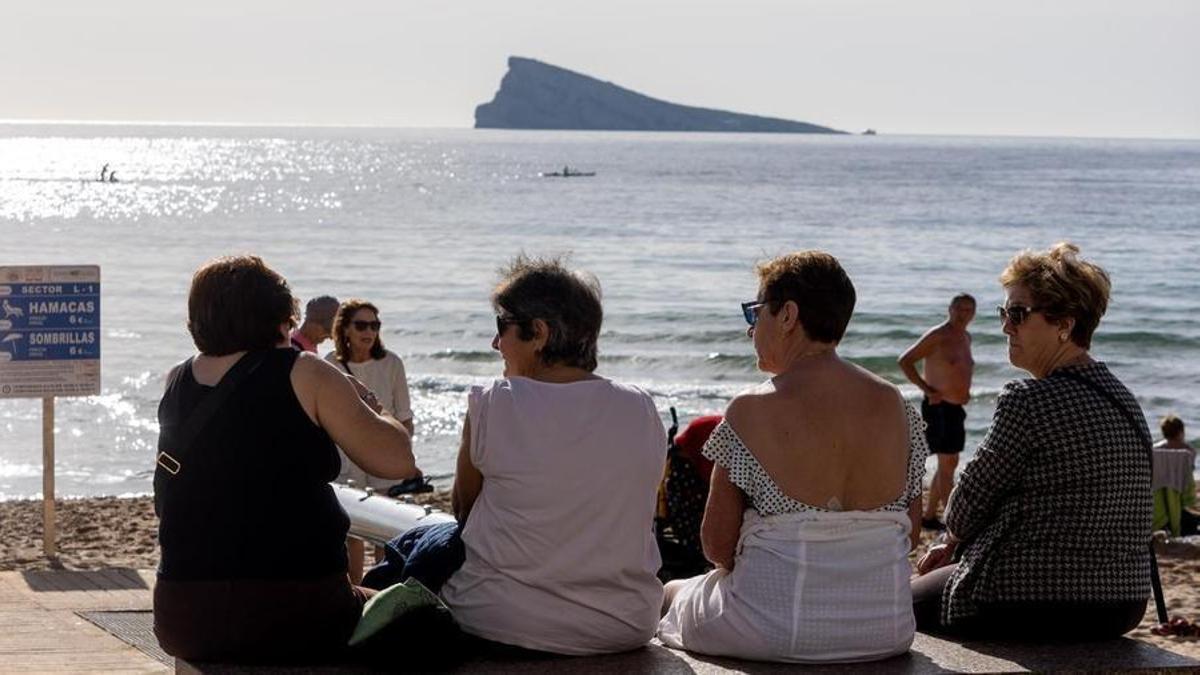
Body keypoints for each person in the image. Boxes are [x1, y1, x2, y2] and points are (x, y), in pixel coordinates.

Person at [658, 251, 928, 663]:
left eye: (755, 314)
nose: (751, 331)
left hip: (774, 629)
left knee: (673, 592)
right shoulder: (896, 405)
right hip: (884, 630)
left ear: (787, 315)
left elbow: (716, 546)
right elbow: (910, 535)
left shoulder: (750, 410)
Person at [153, 255, 416, 662]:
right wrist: (368, 401)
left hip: (182, 617)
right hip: (295, 608)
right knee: (420, 610)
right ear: (279, 318)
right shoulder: (303, 371)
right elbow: (396, 461)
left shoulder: (177, 379)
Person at [913, 242, 1152, 640]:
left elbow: (965, 509)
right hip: (1122, 603)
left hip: (1031, 597)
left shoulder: (1028, 400)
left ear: (1065, 324)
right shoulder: (1123, 398)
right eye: (1004, 313)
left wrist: (951, 538)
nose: (1006, 325)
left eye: (1018, 314)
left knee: (897, 606)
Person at [438, 255, 666, 655]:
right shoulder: (641, 408)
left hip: (499, 619)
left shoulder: (494, 404)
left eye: (501, 327)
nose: (495, 344)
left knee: (420, 547)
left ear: (538, 332)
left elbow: (464, 511)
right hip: (622, 625)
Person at [326, 299, 416, 582]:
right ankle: (355, 591)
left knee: (384, 528)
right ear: (345, 329)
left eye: (374, 325)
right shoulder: (329, 364)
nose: (369, 331)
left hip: (381, 453)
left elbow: (404, 415)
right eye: (361, 325)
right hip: (344, 453)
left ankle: (382, 590)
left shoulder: (391, 363)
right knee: (351, 528)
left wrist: (403, 456)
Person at [898, 293, 976, 530]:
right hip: (939, 408)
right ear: (950, 309)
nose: (964, 314)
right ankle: (953, 524)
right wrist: (927, 389)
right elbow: (905, 361)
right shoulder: (938, 335)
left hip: (956, 408)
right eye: (959, 308)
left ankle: (930, 516)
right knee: (947, 463)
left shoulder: (965, 337)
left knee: (947, 465)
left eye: (969, 310)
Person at [1153, 414, 1198, 536]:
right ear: (1181, 432)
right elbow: (1188, 477)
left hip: (1158, 497)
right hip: (1178, 495)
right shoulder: (1188, 452)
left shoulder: (1154, 450)